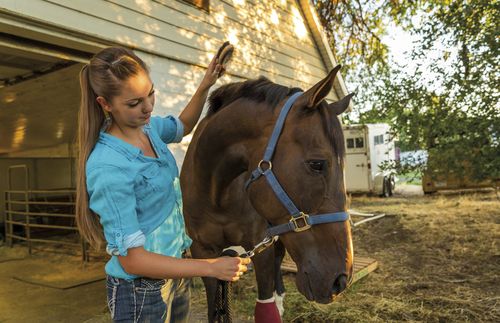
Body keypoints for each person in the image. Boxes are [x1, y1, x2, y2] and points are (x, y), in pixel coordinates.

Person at [75, 46, 250, 322]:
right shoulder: (108, 166)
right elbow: (132, 260)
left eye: (151, 94)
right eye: (134, 103)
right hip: (140, 290)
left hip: (176, 273)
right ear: (105, 104)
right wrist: (211, 267)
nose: (147, 108)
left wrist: (206, 84)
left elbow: (182, 125)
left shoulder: (149, 129)